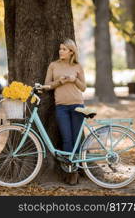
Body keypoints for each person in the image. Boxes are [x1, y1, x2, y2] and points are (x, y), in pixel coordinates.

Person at [44, 38, 86, 183]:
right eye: (60, 49)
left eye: (64, 49)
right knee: (67, 139)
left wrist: (74, 80)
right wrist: (59, 82)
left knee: (76, 140)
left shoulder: (78, 66)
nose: (60, 51)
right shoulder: (53, 65)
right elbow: (46, 85)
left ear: (71, 52)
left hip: (78, 106)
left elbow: (83, 88)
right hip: (61, 107)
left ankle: (75, 172)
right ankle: (69, 171)